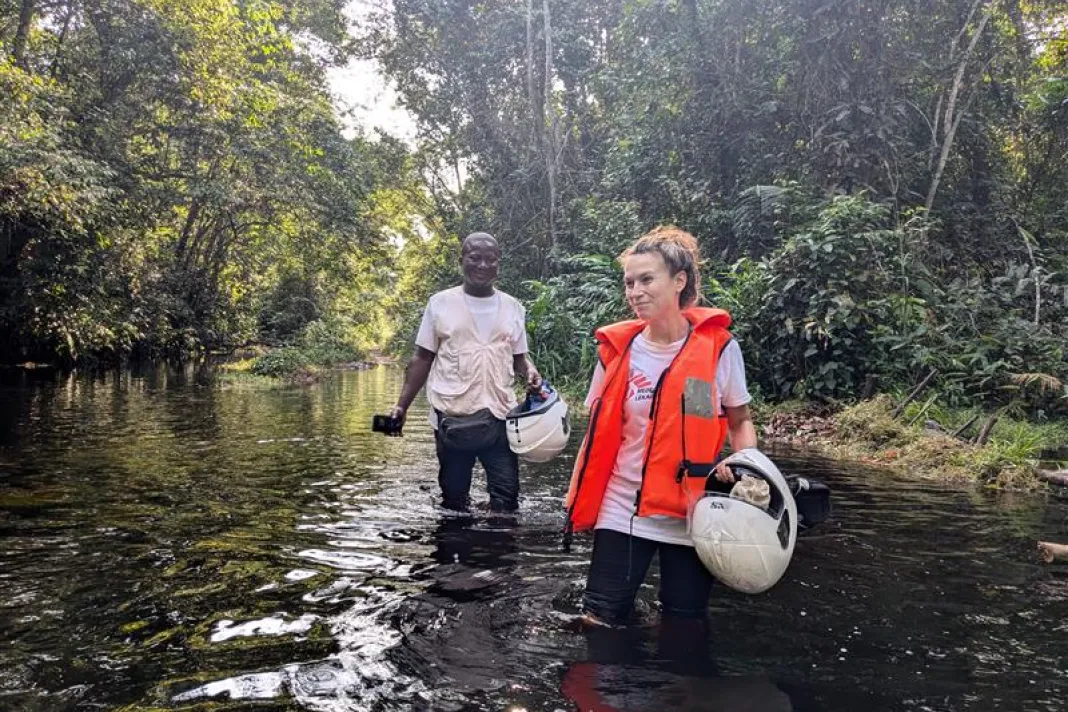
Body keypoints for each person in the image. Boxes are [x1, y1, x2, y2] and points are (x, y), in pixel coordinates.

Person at [564, 225, 758, 626]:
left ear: (679, 282)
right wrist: (578, 500)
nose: (635, 292)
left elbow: (740, 420)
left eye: (646, 279)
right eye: (629, 282)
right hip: (622, 508)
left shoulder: (720, 348)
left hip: (693, 512)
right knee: (598, 621)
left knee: (684, 626)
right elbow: (597, 436)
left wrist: (745, 465)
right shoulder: (615, 352)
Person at [390, 232, 542, 512]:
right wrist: (401, 406)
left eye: (490, 260)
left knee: (506, 499)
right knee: (454, 500)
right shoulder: (440, 304)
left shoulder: (513, 307)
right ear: (461, 260)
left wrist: (530, 372)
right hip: (452, 418)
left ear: (499, 263)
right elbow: (422, 358)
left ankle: (497, 552)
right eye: (475, 258)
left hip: (500, 415)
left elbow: (520, 357)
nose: (483, 265)